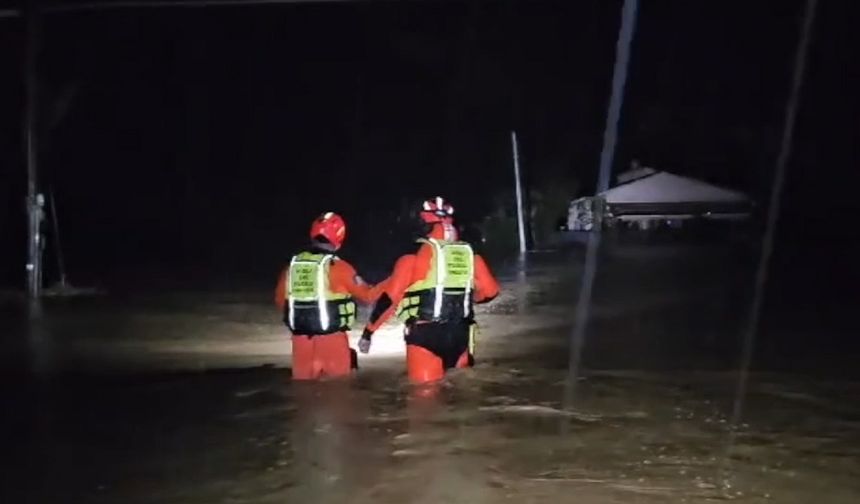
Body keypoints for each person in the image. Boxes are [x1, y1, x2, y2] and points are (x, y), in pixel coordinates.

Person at [358, 196, 499, 383]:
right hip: (460, 335)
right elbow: (491, 292)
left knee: (425, 400)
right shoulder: (470, 254)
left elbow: (390, 300)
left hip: (425, 336)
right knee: (462, 394)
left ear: (423, 223)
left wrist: (368, 332)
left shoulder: (412, 256)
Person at [275, 212, 380, 380]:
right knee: (338, 395)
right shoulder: (339, 267)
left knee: (304, 395)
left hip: (300, 342)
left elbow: (280, 301)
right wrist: (392, 281)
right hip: (333, 341)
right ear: (339, 236)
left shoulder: (292, 267)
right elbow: (368, 296)